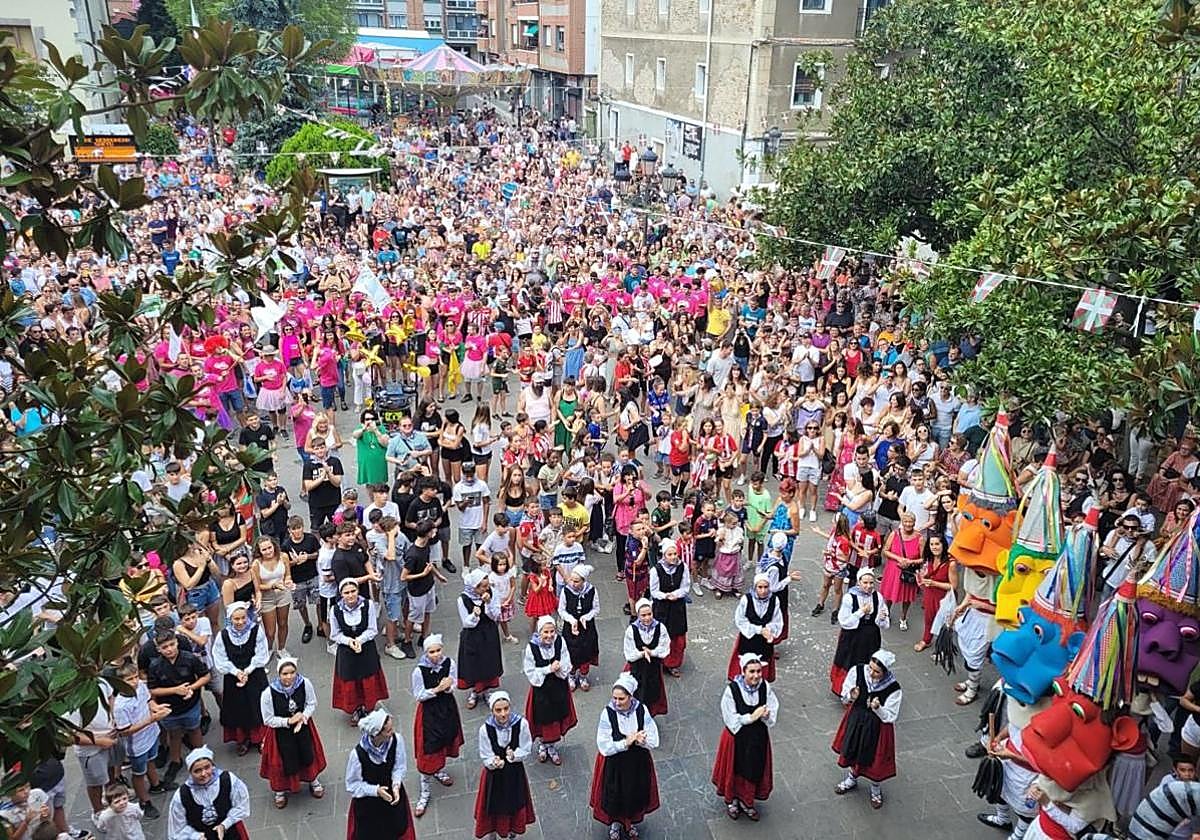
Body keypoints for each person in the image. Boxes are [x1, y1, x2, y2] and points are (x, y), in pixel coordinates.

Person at [589, 673, 661, 840]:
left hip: (637, 763)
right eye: (615, 698)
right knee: (615, 793)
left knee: (634, 792)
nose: (616, 702)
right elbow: (604, 745)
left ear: (630, 696)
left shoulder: (641, 710)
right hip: (616, 764)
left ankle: (631, 822)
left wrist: (642, 740)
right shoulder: (608, 714)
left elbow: (654, 738)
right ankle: (615, 823)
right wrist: (625, 742)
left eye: (621, 699)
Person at [832, 650, 903, 810]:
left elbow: (890, 716)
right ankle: (852, 778)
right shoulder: (857, 672)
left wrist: (878, 708)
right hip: (856, 719)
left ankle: (875, 788)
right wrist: (851, 696)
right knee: (853, 749)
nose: (871, 673)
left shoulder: (894, 688)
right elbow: (845, 697)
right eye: (870, 668)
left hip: (877, 728)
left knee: (874, 759)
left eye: (877, 672)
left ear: (885, 672)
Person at [711, 653, 778, 821]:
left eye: (759, 671)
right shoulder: (732, 690)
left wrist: (766, 715)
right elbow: (730, 719)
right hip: (736, 737)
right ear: (743, 672)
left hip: (757, 737)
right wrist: (752, 717)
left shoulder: (765, 687)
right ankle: (733, 801)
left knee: (753, 768)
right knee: (735, 767)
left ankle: (747, 801)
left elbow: (772, 710)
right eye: (752, 672)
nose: (756, 675)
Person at [258, 657, 326, 809]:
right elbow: (268, 719)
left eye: (292, 672)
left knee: (307, 753)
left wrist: (303, 717)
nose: (289, 677)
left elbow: (311, 703)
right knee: (280, 762)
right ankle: (280, 790)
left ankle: (312, 780)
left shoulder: (305, 683)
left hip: (303, 727)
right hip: (279, 734)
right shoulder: (268, 693)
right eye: (285, 673)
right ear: (279, 674)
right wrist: (288, 722)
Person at [410, 635, 463, 818]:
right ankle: (425, 791)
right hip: (429, 714)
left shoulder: (449, 663)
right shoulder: (419, 671)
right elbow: (419, 695)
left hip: (447, 709)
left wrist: (449, 687)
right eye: (431, 652)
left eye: (438, 650)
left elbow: (454, 683)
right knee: (428, 749)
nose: (435, 655)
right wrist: (437, 690)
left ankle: (439, 770)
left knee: (444, 741)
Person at [473, 691, 537, 839]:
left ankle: (512, 831)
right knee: (493, 805)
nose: (503, 714)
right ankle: (493, 832)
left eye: (506, 709)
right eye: (498, 710)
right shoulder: (485, 729)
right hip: (494, 776)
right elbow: (485, 754)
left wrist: (514, 755)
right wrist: (493, 762)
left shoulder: (521, 724)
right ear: (492, 711)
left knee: (514, 802)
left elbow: (526, 747)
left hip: (514, 773)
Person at [345, 708, 416, 840]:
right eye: (388, 731)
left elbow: (398, 766)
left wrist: (396, 785)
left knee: (397, 830)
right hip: (368, 806)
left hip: (391, 799)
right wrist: (376, 791)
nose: (392, 732)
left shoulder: (396, 740)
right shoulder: (357, 755)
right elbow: (352, 785)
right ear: (377, 734)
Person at [210, 601, 269, 755]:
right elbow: (220, 658)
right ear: (230, 619)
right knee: (238, 708)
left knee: (258, 706)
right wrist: (236, 672)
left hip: (254, 675)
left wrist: (247, 671)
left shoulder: (256, 631)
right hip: (233, 677)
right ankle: (243, 739)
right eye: (236, 619)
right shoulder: (223, 636)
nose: (241, 622)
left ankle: (261, 737)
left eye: (243, 617)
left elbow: (261, 654)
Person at [329, 579, 390, 723]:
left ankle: (368, 707)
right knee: (350, 679)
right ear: (341, 594)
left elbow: (372, 629)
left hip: (366, 648)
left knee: (368, 676)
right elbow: (335, 634)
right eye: (346, 593)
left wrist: (359, 640)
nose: (350, 595)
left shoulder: (367, 605)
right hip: (346, 651)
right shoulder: (335, 610)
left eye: (353, 591)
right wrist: (350, 641)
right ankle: (356, 708)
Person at [522, 615, 577, 766]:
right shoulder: (532, 648)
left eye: (552, 631)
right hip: (542, 690)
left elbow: (566, 661)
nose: (549, 635)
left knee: (556, 717)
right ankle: (542, 744)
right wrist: (548, 669)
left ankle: (551, 746)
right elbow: (530, 672)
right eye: (545, 632)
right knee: (542, 718)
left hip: (558, 687)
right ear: (539, 632)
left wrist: (560, 669)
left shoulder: (560, 642)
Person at [166, 748, 250, 840]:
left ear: (212, 766)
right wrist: (195, 836)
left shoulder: (228, 780)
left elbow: (241, 805)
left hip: (231, 832)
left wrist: (224, 825)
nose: (203, 774)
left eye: (207, 767)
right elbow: (177, 828)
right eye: (197, 770)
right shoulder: (182, 795)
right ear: (190, 772)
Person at [829, 568, 889, 696]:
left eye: (871, 583)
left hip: (871, 637)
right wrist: (861, 612)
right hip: (852, 637)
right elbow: (844, 622)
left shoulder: (877, 597)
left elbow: (882, 621)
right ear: (858, 582)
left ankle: (865, 689)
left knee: (868, 663)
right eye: (865, 583)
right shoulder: (850, 598)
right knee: (850, 661)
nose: (868, 586)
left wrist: (882, 618)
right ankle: (846, 691)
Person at [457, 568, 504, 709]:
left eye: (487, 585)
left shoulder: (491, 593)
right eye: (483, 586)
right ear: (474, 586)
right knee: (473, 663)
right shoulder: (463, 599)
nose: (487, 588)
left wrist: (488, 604)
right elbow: (466, 622)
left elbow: (496, 615)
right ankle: (475, 691)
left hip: (488, 633)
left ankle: (486, 691)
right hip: (472, 635)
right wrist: (475, 614)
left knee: (488, 661)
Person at [726, 573, 783, 683]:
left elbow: (777, 620)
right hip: (748, 638)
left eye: (766, 587)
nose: (763, 591)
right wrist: (759, 630)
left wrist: (769, 630)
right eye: (760, 587)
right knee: (747, 666)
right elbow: (740, 620)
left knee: (762, 666)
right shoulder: (746, 600)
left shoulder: (774, 600)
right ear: (755, 587)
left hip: (764, 642)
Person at [648, 538, 690, 677]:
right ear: (664, 555)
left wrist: (676, 594)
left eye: (675, 554)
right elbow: (654, 591)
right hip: (662, 607)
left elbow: (685, 586)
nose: (673, 557)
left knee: (678, 637)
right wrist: (665, 596)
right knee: (662, 635)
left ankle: (673, 664)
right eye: (669, 554)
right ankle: (660, 662)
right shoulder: (656, 570)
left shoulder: (682, 567)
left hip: (677, 606)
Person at [877, 511, 922, 631]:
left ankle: (903, 617)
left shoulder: (919, 538)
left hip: (909, 571)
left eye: (910, 522)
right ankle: (886, 613)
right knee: (889, 594)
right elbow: (885, 551)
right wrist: (899, 559)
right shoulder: (894, 534)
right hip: (893, 569)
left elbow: (923, 558)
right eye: (905, 521)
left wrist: (910, 562)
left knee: (907, 597)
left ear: (914, 522)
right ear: (902, 522)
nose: (908, 524)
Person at [559, 564, 601, 691]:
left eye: (576, 581)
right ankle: (571, 675)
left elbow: (596, 608)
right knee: (571, 653)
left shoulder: (592, 590)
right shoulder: (566, 591)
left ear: (584, 580)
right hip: (570, 628)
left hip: (587, 628)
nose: (572, 583)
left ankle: (583, 676)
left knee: (586, 652)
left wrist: (586, 617)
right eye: (571, 580)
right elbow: (561, 610)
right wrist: (572, 620)